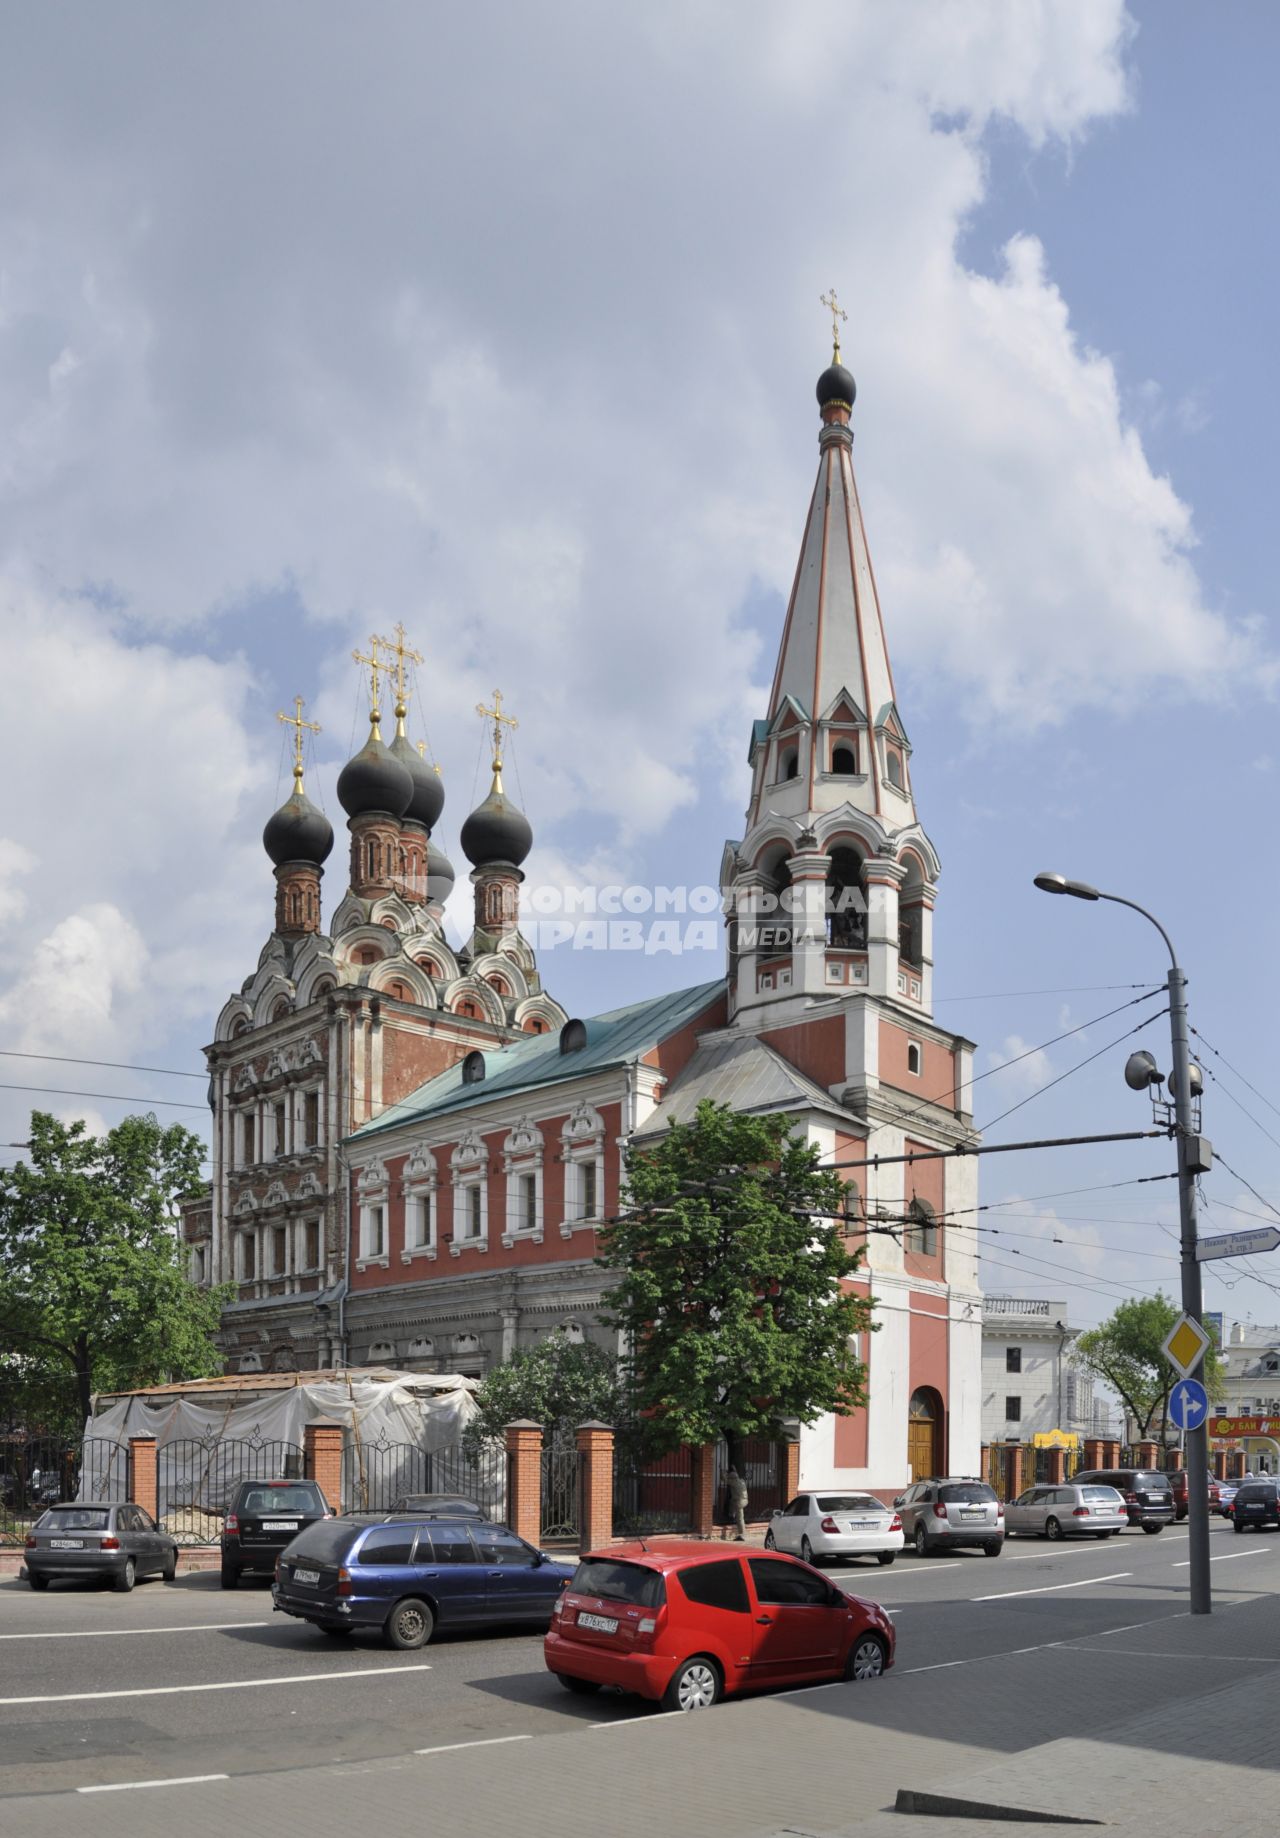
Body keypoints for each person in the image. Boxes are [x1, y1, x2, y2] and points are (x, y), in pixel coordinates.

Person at [724, 1465, 748, 1541]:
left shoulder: (733, 1482)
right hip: (745, 1500)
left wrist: (724, 1473)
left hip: (739, 1502)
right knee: (731, 1501)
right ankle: (732, 1513)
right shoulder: (741, 1480)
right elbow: (735, 1475)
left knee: (740, 1519)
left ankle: (742, 1534)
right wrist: (735, 1470)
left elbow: (724, 1480)